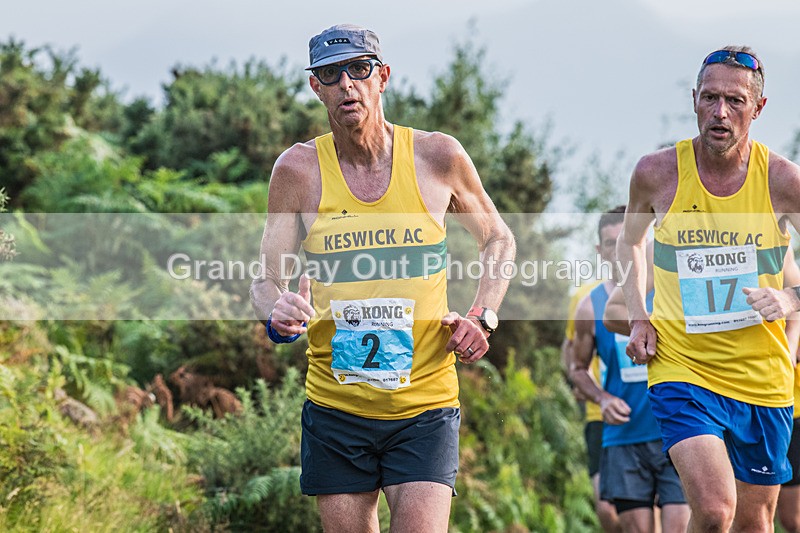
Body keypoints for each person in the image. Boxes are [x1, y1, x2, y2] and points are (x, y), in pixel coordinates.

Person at [249, 24, 515, 532]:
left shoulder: (437, 157)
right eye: (331, 73)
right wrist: (276, 310)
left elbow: (498, 239)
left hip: (425, 403)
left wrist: (483, 316)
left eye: (359, 69)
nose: (347, 83)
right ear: (316, 87)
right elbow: (266, 279)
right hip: (336, 405)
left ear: (383, 76)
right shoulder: (298, 170)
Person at [618, 45, 800, 531]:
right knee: (717, 509)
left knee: (754, 521)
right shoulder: (656, 173)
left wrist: (789, 298)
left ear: (758, 108)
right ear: (694, 99)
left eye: (736, 101)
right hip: (683, 368)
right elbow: (630, 244)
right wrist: (639, 315)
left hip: (762, 378)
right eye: (711, 98)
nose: (721, 113)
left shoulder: (783, 181)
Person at [571, 206, 689, 532]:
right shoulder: (589, 306)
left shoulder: (667, 291)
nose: (618, 249)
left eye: (625, 240)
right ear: (602, 251)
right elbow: (576, 367)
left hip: (675, 427)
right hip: (624, 437)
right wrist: (602, 398)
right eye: (611, 243)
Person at [562, 278, 619, 532]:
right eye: (610, 243)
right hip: (600, 413)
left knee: (651, 505)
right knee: (606, 507)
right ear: (601, 248)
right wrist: (582, 382)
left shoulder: (653, 287)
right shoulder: (586, 296)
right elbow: (571, 347)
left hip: (647, 410)